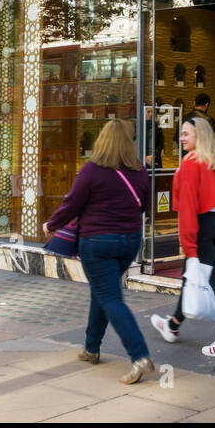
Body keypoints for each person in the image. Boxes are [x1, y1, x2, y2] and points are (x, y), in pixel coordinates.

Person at [42, 118, 154, 385]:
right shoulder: (139, 171)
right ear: (129, 142)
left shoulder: (91, 170)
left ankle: (140, 356)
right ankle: (91, 348)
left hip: (98, 243)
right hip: (129, 242)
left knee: (111, 298)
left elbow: (71, 204)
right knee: (103, 291)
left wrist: (52, 224)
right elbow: (144, 206)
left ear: (101, 140)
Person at [150, 116, 215, 357]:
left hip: (201, 227)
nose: (181, 137)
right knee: (192, 276)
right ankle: (172, 325)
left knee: (211, 281)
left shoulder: (191, 163)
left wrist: (189, 247)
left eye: (186, 133)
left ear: (199, 136)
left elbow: (188, 209)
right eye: (181, 133)